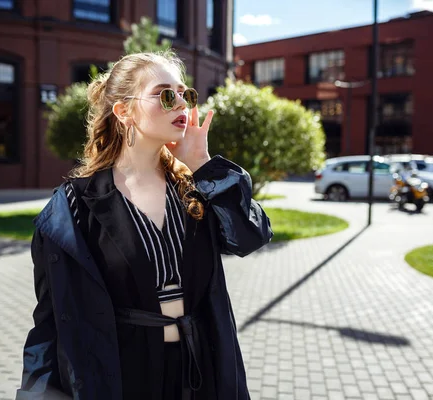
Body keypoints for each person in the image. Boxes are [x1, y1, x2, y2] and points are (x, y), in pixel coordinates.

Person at [16, 51, 273, 400]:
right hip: (123, 376)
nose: (180, 103)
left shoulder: (198, 187)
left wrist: (201, 164)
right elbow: (52, 321)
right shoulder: (74, 207)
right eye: (166, 94)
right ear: (124, 111)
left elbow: (250, 237)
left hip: (203, 372)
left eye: (186, 94)